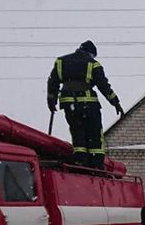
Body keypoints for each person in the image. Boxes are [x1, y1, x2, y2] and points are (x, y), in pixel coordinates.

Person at [46, 40, 123, 168]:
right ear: (91, 53)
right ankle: (96, 165)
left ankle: (80, 161)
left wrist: (51, 100)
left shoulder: (61, 62)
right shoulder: (93, 64)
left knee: (77, 134)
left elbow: (52, 82)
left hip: (69, 106)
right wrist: (115, 102)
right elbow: (103, 85)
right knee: (94, 135)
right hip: (89, 105)